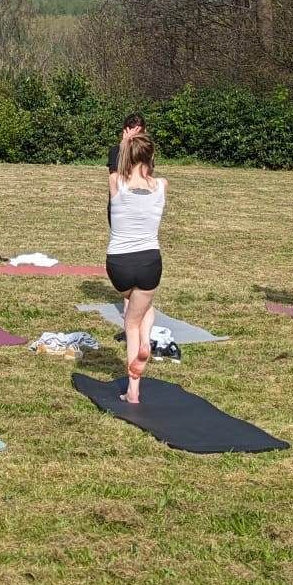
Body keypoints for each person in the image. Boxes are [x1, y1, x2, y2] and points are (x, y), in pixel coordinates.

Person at [106, 133, 167, 404]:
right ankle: (144, 346)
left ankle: (133, 389)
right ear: (152, 157)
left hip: (119, 263)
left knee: (131, 318)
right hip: (149, 262)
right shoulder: (162, 185)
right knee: (142, 310)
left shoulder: (115, 182)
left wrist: (126, 143)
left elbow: (120, 167)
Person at [104, 113, 145, 222]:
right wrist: (124, 146)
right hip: (120, 209)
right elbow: (117, 181)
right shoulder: (116, 151)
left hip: (141, 206)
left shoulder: (146, 153)